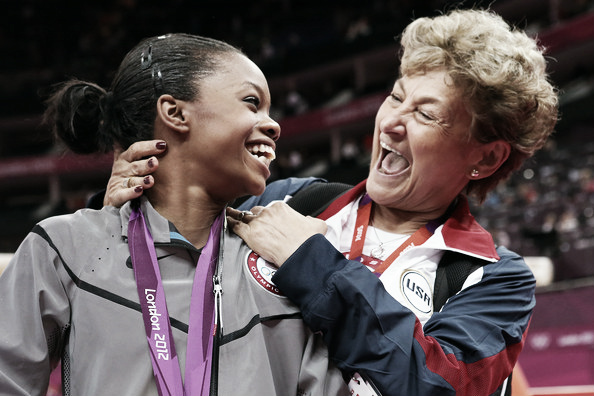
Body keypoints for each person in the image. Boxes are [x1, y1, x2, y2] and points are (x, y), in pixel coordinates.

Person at [105, 9, 559, 396]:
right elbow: (164, 282)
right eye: (397, 97)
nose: (392, 123)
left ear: (485, 157)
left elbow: (435, 384)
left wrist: (313, 264)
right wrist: (123, 212)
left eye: (426, 113)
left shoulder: (493, 278)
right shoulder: (292, 199)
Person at [0, 33, 348, 396]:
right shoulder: (65, 248)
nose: (274, 125)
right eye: (252, 102)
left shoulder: (282, 265)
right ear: (176, 113)